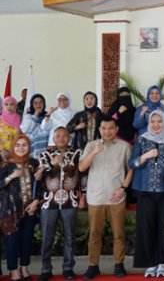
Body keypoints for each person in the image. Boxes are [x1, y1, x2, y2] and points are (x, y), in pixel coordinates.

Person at [79, 118, 133, 279]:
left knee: (118, 233)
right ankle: (93, 266)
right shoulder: (91, 145)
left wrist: (123, 188)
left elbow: (131, 169)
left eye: (110, 128)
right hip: (95, 196)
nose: (107, 131)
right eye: (103, 128)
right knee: (94, 234)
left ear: (116, 130)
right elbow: (81, 167)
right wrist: (94, 153)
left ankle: (119, 264)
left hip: (116, 197)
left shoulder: (124, 146)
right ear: (99, 129)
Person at [129, 111, 164, 277]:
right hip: (145, 192)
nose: (156, 124)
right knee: (146, 228)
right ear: (149, 123)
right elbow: (132, 163)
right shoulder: (142, 139)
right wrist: (145, 156)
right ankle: (150, 263)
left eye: (160, 121)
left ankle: (162, 263)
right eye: (153, 121)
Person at [37, 127, 83, 281]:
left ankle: (68, 268)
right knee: (47, 238)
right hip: (49, 203)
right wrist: (52, 164)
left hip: (70, 201)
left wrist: (84, 195)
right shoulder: (45, 154)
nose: (61, 138)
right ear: (53, 138)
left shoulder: (77, 153)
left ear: (69, 138)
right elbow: (38, 176)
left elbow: (82, 175)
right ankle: (46, 269)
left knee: (70, 237)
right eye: (58, 136)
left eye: (64, 136)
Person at [0, 134, 40, 281]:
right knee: (12, 241)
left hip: (30, 209)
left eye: (24, 145)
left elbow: (40, 184)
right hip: (10, 210)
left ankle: (24, 268)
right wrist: (11, 176)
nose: (21, 148)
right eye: (17, 145)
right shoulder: (6, 165)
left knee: (26, 239)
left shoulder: (34, 163)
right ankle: (13, 270)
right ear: (13, 147)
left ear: (29, 147)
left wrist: (36, 202)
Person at [20, 93, 50, 158]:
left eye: (40, 102)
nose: (38, 104)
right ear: (32, 105)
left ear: (44, 104)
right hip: (32, 149)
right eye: (35, 103)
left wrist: (47, 116)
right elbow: (25, 130)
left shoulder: (48, 116)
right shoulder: (28, 116)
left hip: (46, 148)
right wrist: (35, 115)